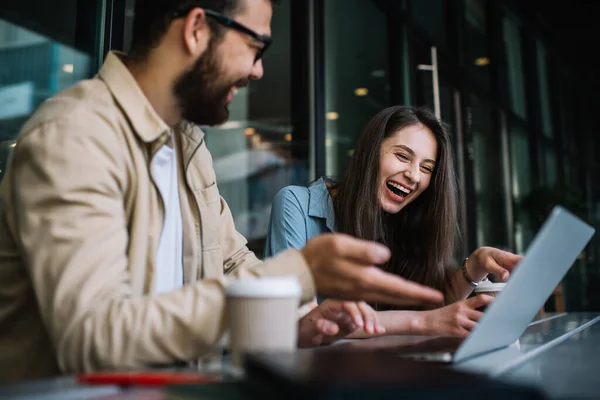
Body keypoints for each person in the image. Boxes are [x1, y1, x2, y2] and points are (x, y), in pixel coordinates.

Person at [0, 0, 445, 384]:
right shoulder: (77, 135)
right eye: (256, 46)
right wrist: (298, 273)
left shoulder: (187, 146)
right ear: (196, 29)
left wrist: (299, 322)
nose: (258, 69)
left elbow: (233, 260)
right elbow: (95, 338)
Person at [265, 106, 522, 338]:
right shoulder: (296, 204)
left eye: (426, 168)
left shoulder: (403, 219)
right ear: (369, 152)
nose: (412, 175)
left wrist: (474, 266)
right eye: (402, 155)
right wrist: (421, 322)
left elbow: (433, 312)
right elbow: (303, 320)